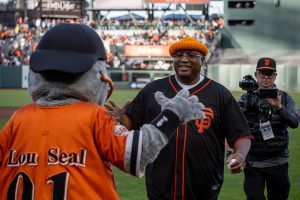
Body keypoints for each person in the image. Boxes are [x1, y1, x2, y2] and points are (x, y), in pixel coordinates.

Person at [0, 24, 206, 199]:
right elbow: (138, 153)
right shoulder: (93, 116)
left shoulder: (20, 118)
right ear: (99, 76)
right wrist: (172, 113)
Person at [106, 36, 253, 199]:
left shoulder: (219, 94)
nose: (184, 59)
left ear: (203, 60)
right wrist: (120, 120)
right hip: (160, 184)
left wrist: (240, 155)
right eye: (178, 55)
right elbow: (131, 125)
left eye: (191, 55)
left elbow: (241, 134)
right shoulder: (153, 90)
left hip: (204, 186)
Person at [239, 57, 300, 200]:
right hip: (253, 163)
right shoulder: (245, 98)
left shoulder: (284, 98)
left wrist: (279, 107)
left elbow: (294, 122)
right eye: (262, 73)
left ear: (275, 76)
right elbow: (235, 127)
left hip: (278, 161)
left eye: (270, 74)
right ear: (256, 75)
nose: (266, 77)